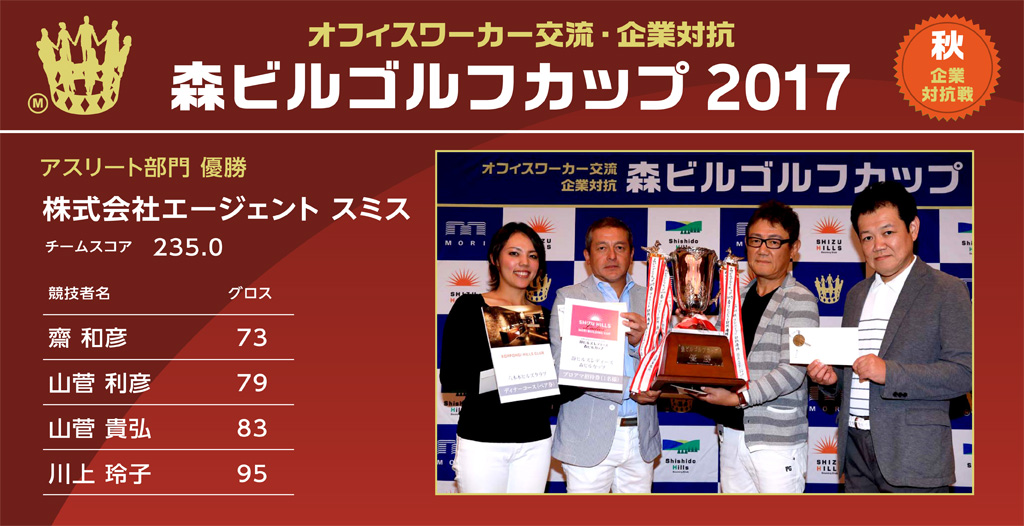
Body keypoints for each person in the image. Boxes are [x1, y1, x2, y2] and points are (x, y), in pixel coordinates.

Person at [807, 181, 971, 492]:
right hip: (854, 452)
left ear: (913, 228)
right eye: (867, 237)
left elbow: (965, 374)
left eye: (887, 232)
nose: (877, 245)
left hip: (914, 455)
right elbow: (851, 373)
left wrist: (889, 373)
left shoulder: (947, 290)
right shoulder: (856, 295)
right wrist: (830, 381)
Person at [698, 200, 819, 493]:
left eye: (774, 242)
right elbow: (719, 357)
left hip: (776, 442)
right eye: (755, 240)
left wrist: (737, 398)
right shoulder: (734, 297)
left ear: (793, 248)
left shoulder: (800, 299)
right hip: (731, 433)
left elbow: (793, 371)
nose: (762, 249)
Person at [439, 222, 556, 493]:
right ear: (495, 258)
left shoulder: (547, 317)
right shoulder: (470, 307)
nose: (524, 262)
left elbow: (554, 390)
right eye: (514, 253)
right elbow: (453, 378)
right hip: (483, 441)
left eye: (532, 255)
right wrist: (509, 371)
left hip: (535, 442)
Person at [550, 217, 659, 493]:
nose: (612, 256)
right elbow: (565, 368)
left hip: (641, 437)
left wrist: (639, 343)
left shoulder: (652, 299)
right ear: (587, 256)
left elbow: (665, 361)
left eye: (620, 247)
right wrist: (630, 388)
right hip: (586, 437)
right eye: (602, 248)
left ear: (631, 255)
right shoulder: (570, 297)